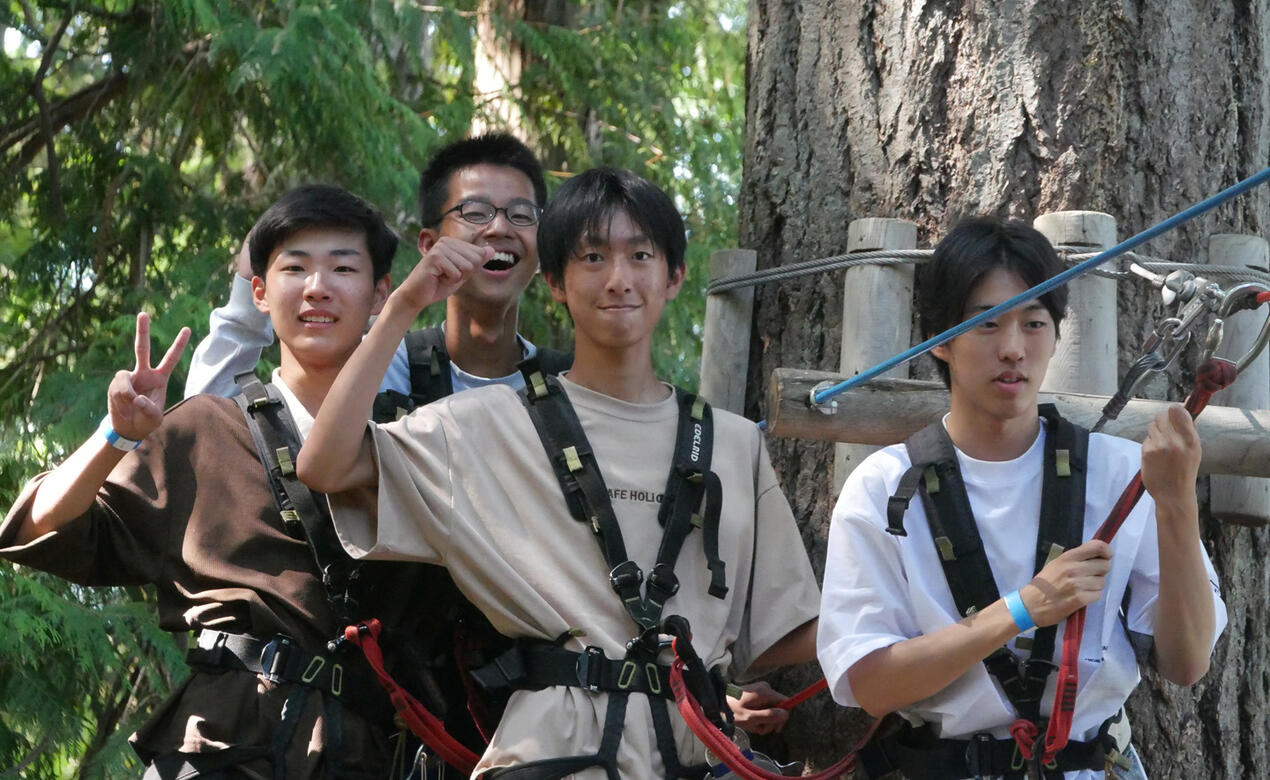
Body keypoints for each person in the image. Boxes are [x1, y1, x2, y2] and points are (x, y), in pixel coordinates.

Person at [297, 167, 821, 778]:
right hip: (551, 752)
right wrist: (404, 306)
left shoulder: (731, 442)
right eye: (592, 257)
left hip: (694, 752)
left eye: (641, 255)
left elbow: (785, 626)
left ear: (674, 276)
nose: (619, 279)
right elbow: (325, 465)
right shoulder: (485, 424)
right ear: (555, 283)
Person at [0, 184, 417, 779]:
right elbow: (43, 526)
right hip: (219, 743)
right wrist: (113, 436)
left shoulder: (415, 446)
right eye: (294, 268)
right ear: (260, 294)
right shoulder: (207, 428)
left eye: (342, 268)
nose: (317, 287)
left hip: (362, 755)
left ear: (380, 295)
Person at [817, 216, 1227, 779]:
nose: (1013, 349)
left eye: (1034, 323)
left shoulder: (1119, 473)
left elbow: (1187, 662)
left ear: (1056, 334)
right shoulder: (882, 488)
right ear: (940, 340)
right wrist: (1020, 609)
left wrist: (1177, 503)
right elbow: (870, 684)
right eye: (987, 324)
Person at [184, 132, 568, 407]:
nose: (499, 228)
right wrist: (250, 296)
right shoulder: (379, 365)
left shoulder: (571, 385)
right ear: (429, 245)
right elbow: (215, 413)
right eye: (476, 213)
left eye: (521, 215)